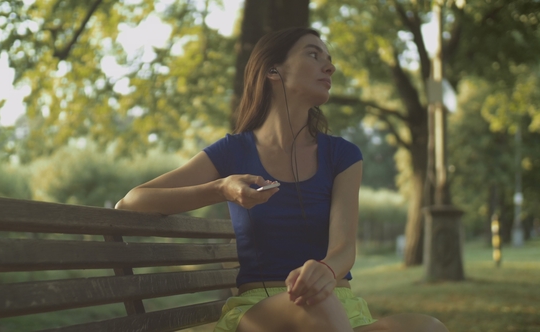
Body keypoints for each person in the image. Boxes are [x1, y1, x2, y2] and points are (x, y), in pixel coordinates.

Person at [116, 27, 449, 332]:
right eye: (313, 55)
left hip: (338, 306)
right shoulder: (232, 151)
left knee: (427, 327)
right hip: (261, 312)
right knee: (319, 306)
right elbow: (131, 202)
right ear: (273, 71)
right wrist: (221, 189)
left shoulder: (343, 155)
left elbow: (344, 248)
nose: (329, 67)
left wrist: (327, 271)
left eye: (329, 59)